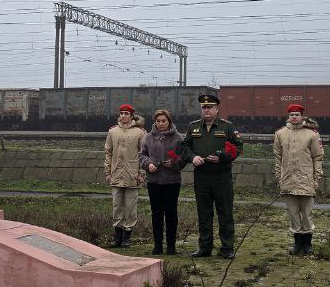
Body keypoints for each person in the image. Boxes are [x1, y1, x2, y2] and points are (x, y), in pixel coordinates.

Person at [179, 93, 244, 259]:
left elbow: (237, 148)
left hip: (221, 177)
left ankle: (227, 247)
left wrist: (222, 157)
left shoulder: (227, 126)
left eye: (209, 107)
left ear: (217, 109)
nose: (206, 110)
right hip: (201, 177)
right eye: (203, 107)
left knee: (225, 213)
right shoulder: (193, 127)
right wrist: (193, 157)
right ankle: (204, 247)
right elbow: (184, 146)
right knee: (204, 213)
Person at [273, 103, 324, 256]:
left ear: (302, 117)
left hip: (306, 180)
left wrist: (316, 178)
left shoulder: (312, 134)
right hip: (288, 180)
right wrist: (279, 176)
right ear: (288, 117)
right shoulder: (280, 134)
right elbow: (278, 157)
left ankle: (307, 244)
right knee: (293, 214)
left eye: (297, 114)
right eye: (291, 115)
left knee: (307, 214)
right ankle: (297, 244)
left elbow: (318, 157)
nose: (294, 117)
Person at [139, 108, 185, 255]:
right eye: (158, 121)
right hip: (154, 181)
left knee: (171, 213)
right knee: (156, 214)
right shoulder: (148, 137)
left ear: (169, 121)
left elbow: (184, 158)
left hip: (172, 182)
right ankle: (157, 245)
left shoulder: (178, 138)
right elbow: (141, 155)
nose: (160, 123)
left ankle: (171, 246)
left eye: (163, 121)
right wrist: (148, 164)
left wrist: (173, 164)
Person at [104, 104, 146, 248]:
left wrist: (142, 174)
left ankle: (127, 237)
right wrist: (108, 172)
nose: (123, 116)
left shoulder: (140, 133)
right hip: (116, 175)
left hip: (132, 176)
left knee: (130, 207)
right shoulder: (112, 132)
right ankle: (117, 237)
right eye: (121, 113)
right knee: (117, 206)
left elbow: (144, 154)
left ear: (132, 115)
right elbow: (108, 153)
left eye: (126, 113)